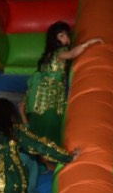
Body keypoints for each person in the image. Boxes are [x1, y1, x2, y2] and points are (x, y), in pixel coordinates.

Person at [23, 21, 103, 149]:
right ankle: (49, 152)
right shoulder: (59, 52)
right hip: (50, 96)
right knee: (50, 123)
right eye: (61, 35)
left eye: (66, 35)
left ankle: (41, 149)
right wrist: (88, 43)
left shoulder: (49, 55)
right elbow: (71, 54)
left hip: (41, 95)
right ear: (55, 39)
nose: (66, 38)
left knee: (41, 123)